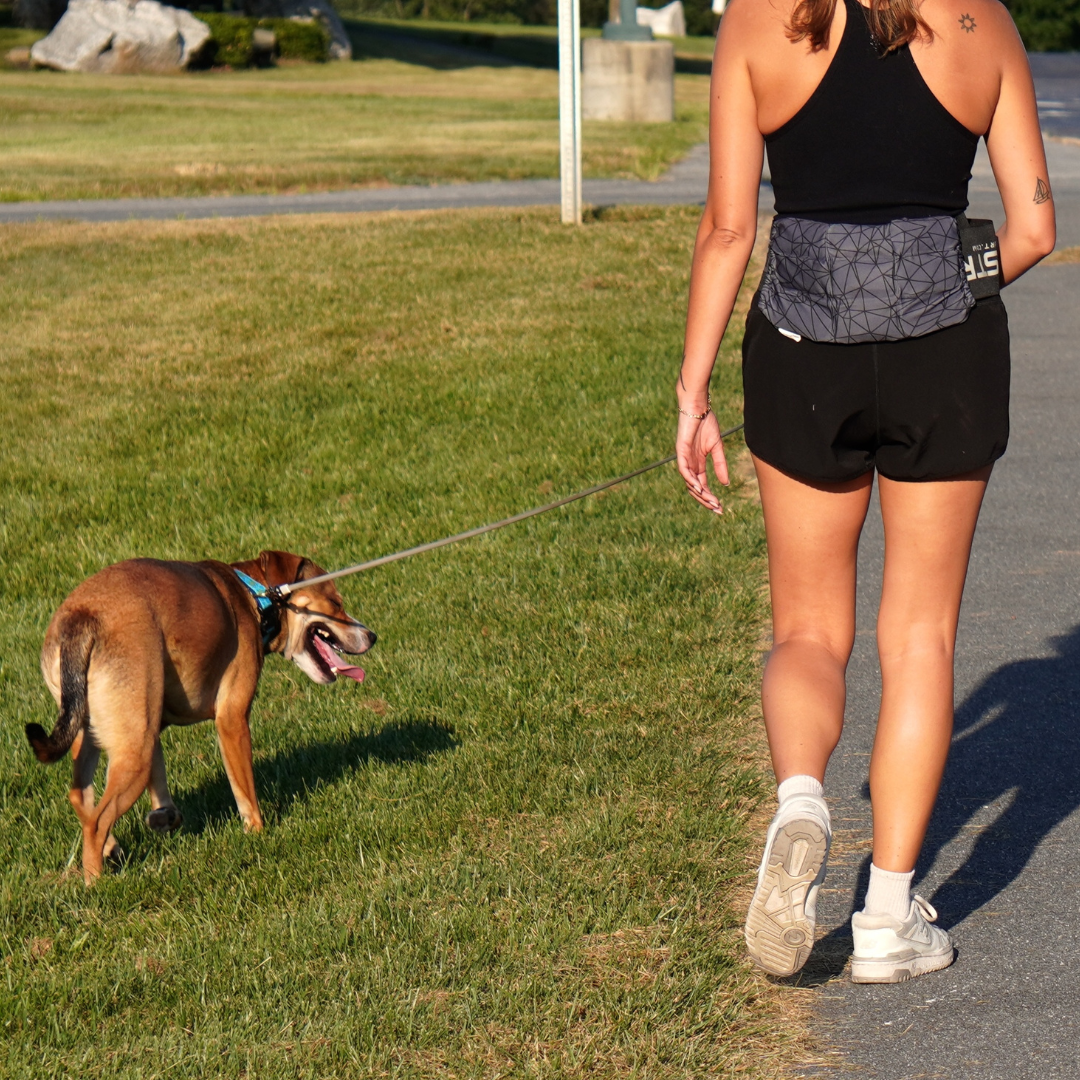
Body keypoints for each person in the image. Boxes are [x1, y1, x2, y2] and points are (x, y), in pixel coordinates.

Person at [676, 0, 1055, 982]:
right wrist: (937, 282)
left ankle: (802, 800)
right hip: (948, 359)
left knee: (808, 632)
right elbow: (1035, 226)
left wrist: (692, 393)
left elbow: (728, 228)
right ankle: (887, 916)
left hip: (803, 355)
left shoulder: (761, 23)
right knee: (919, 637)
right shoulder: (983, 24)